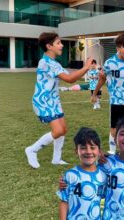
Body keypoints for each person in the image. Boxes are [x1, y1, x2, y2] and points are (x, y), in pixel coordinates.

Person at [25, 32, 93, 169]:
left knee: (63, 129)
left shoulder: (53, 62)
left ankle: (56, 159)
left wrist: (88, 72)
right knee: (58, 131)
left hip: (53, 101)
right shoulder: (46, 63)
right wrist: (86, 67)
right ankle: (32, 150)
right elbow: (69, 79)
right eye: (58, 43)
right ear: (49, 46)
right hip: (43, 101)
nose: (62, 45)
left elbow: (71, 76)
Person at [58, 118, 124, 219]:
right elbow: (87, 172)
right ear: (115, 140)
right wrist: (66, 182)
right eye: (122, 133)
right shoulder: (106, 163)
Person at [57, 127, 107, 220]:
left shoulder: (103, 176)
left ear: (99, 151)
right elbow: (64, 201)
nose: (88, 152)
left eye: (92, 148)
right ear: (76, 151)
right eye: (83, 148)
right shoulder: (70, 175)